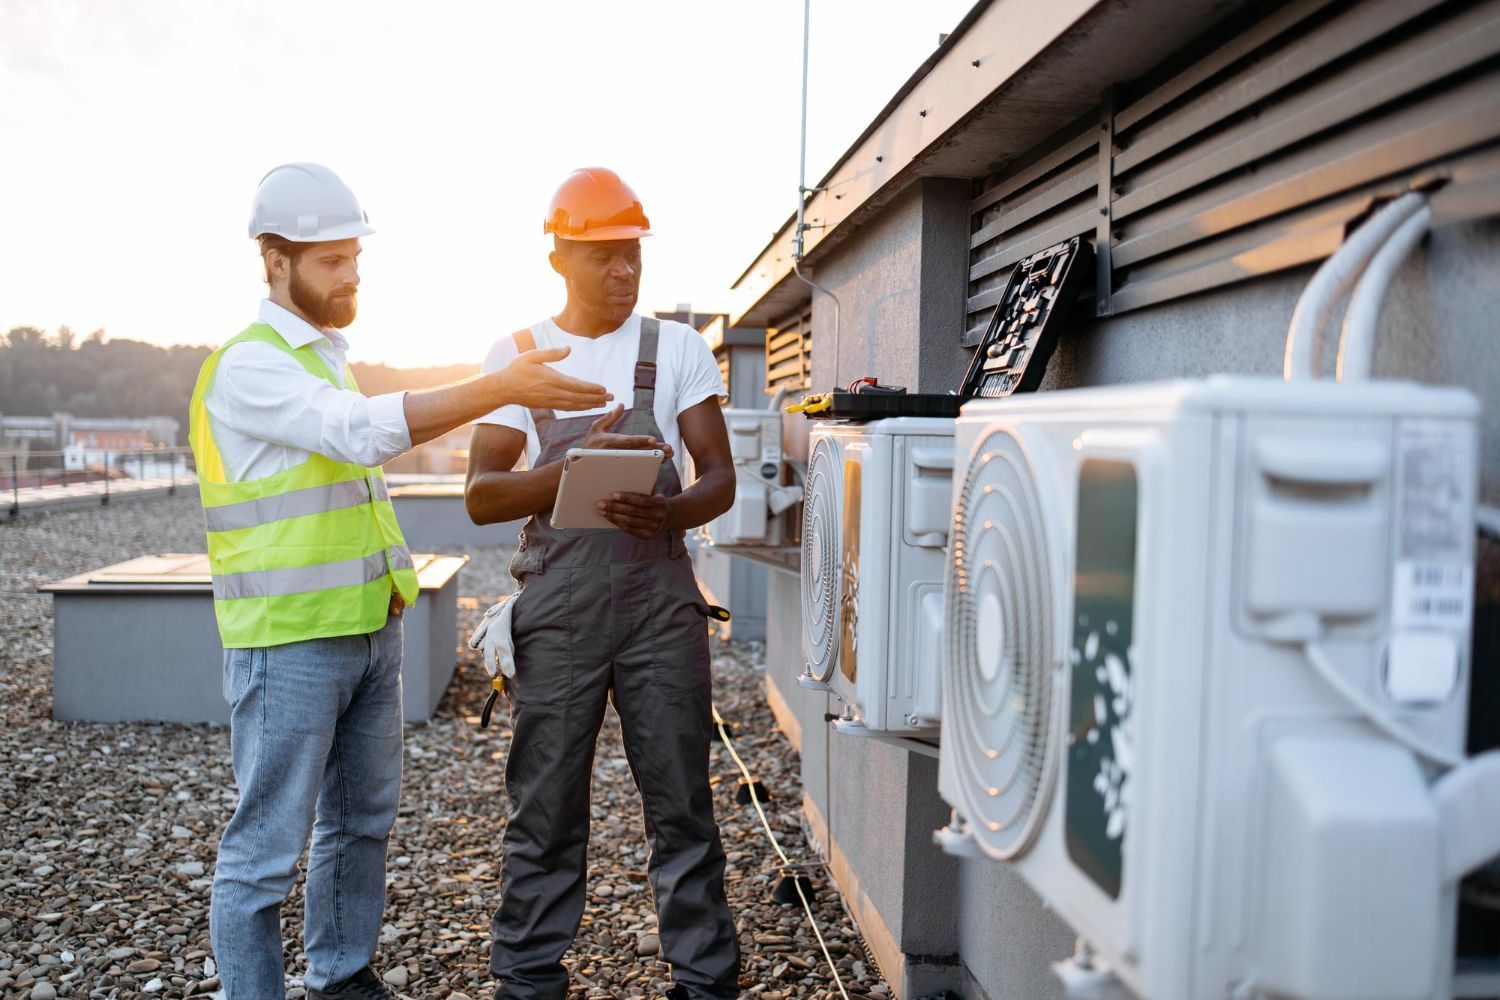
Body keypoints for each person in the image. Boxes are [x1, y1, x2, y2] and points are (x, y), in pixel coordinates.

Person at [191, 162, 611, 1000]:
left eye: (354, 256)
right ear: (274, 261)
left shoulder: (324, 358)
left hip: (367, 633)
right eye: (330, 260)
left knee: (360, 825)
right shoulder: (249, 368)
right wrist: (498, 387)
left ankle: (341, 977)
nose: (351, 274)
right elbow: (356, 435)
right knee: (263, 855)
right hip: (288, 645)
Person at [465, 167, 741, 999]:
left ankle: (704, 983)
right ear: (560, 258)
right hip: (558, 607)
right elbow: (481, 494)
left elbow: (720, 478)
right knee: (545, 805)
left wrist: (673, 515)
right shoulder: (517, 358)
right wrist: (574, 472)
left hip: (661, 601)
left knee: (683, 801)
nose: (624, 273)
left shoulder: (677, 350)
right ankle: (528, 980)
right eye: (604, 259)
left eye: (633, 258)